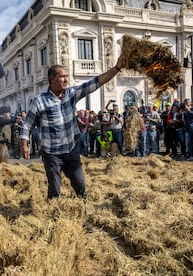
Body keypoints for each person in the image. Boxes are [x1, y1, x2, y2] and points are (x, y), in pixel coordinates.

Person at [20, 55, 125, 200]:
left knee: (80, 184)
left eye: (66, 76)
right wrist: (24, 144)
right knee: (55, 189)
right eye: (62, 77)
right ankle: (53, 216)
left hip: (71, 150)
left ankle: (82, 209)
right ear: (52, 79)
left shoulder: (71, 94)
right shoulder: (39, 100)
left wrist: (117, 68)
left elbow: (96, 82)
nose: (66, 80)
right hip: (52, 154)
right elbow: (27, 124)